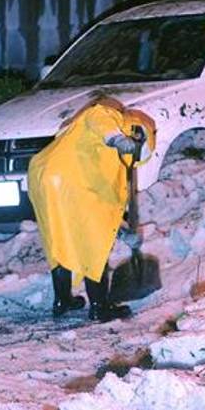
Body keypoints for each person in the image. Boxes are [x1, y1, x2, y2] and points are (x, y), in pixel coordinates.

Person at [27, 96, 156, 323]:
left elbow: (104, 210)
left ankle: (63, 300)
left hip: (44, 176)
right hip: (70, 180)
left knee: (60, 239)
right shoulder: (112, 119)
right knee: (93, 244)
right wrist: (115, 137)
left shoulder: (88, 145)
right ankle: (100, 307)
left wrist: (124, 231)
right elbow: (98, 116)